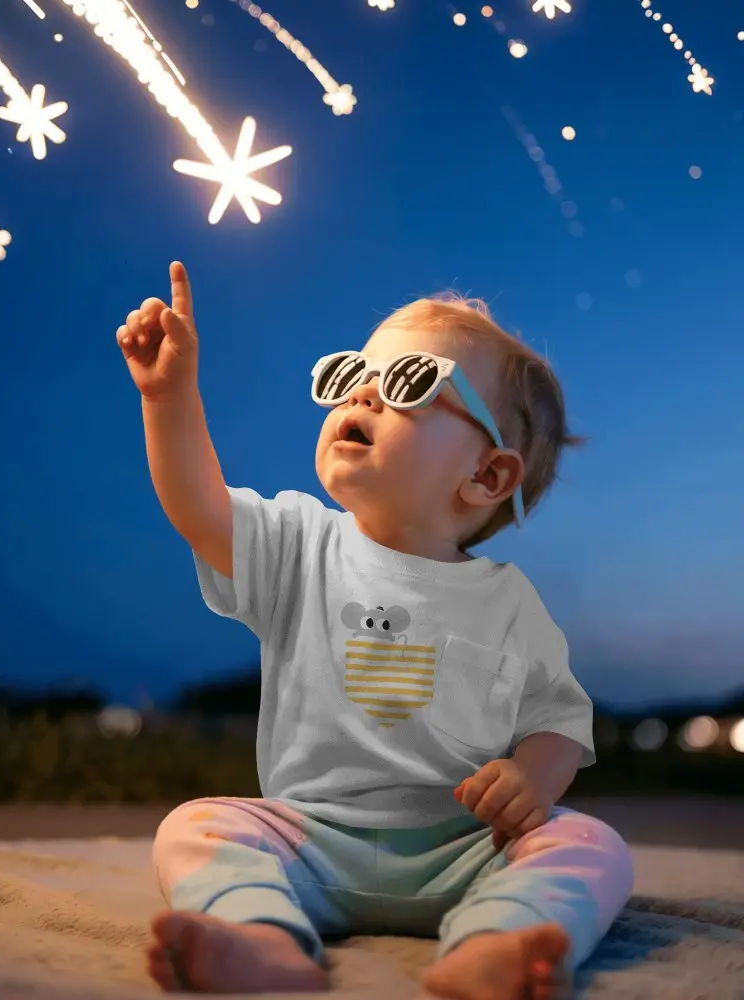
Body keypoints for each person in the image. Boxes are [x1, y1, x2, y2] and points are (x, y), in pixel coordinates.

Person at [117, 262, 634, 1000]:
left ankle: (500, 942)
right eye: (352, 372)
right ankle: (260, 941)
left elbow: (557, 717)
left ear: (487, 476)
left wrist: (533, 778)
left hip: (466, 848)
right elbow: (198, 507)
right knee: (196, 827)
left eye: (409, 383)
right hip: (310, 838)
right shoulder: (300, 544)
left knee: (593, 845)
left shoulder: (509, 602)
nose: (363, 390)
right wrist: (168, 397)